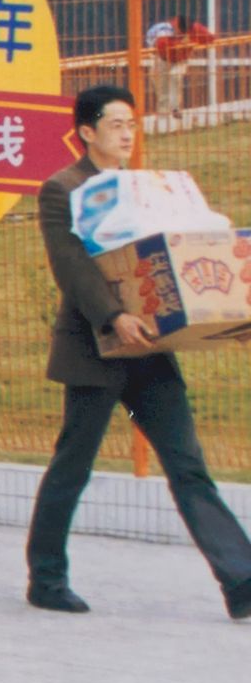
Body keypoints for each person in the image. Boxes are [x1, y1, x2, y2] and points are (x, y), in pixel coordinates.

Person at [26, 84, 251, 619]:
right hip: (96, 352)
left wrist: (229, 311)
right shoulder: (63, 189)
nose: (127, 133)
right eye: (116, 123)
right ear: (86, 131)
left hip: (150, 352)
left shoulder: (144, 187)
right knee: (73, 464)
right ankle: (46, 578)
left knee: (186, 463)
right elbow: (71, 264)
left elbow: (177, 255)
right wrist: (113, 316)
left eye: (132, 123)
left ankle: (241, 578)